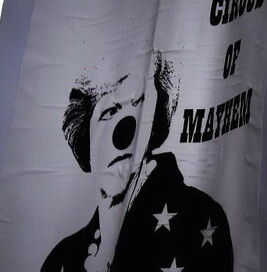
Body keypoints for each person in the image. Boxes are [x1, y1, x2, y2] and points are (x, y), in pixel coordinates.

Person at [42, 53, 234, 271]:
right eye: (109, 112)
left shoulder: (199, 219)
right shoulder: (63, 258)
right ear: (86, 134)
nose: (124, 131)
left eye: (139, 105)